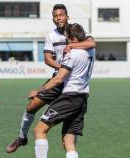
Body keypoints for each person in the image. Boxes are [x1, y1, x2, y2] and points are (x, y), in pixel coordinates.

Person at [6, 4, 97, 153]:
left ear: (67, 17)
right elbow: (48, 59)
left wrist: (72, 47)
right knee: (32, 105)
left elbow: (92, 43)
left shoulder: (76, 32)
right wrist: (61, 66)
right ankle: (22, 137)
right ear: (53, 19)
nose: (58, 17)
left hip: (68, 83)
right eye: (56, 16)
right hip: (60, 78)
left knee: (59, 135)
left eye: (61, 14)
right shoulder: (51, 35)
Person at [33, 23, 95, 158]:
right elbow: (91, 43)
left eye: (67, 37)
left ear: (72, 38)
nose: (65, 40)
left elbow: (58, 79)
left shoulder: (73, 54)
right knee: (68, 141)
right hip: (82, 99)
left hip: (69, 97)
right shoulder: (90, 51)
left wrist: (39, 91)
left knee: (39, 130)